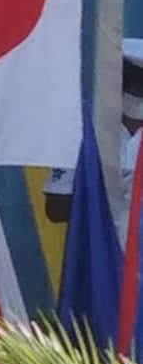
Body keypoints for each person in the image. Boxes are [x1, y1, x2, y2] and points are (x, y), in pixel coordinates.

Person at [42, 37, 143, 226]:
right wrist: (107, 190)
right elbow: (55, 209)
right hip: (100, 250)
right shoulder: (84, 131)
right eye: (136, 87)